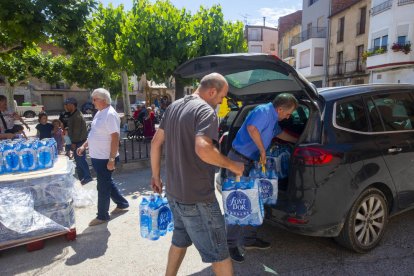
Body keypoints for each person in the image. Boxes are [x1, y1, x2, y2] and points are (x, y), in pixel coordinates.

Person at [151, 73, 244, 276]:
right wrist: (233, 166)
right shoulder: (206, 111)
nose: (221, 102)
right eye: (221, 97)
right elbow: (203, 148)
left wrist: (156, 177)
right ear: (212, 91)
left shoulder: (173, 107)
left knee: (179, 240)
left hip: (174, 193)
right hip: (197, 198)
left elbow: (155, 143)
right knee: (219, 253)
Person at [226, 93, 299, 263]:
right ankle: (230, 245)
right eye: (288, 114)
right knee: (239, 204)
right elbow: (252, 128)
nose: (288, 117)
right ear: (280, 109)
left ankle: (250, 240)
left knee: (255, 201)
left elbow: (280, 134)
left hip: (252, 163)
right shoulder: (264, 111)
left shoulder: (274, 119)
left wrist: (298, 140)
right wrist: (262, 150)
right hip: (239, 160)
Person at [77, 88, 129, 227]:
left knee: (103, 186)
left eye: (95, 99)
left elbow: (115, 138)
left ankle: (102, 216)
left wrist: (111, 160)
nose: (92, 102)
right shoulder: (100, 113)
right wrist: (84, 146)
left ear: (104, 100)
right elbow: (94, 134)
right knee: (106, 181)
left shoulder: (110, 114)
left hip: (106, 158)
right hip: (97, 157)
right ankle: (122, 203)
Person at [65, 97, 93, 185]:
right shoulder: (73, 114)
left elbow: (77, 131)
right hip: (77, 141)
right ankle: (82, 177)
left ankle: (87, 177)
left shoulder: (76, 116)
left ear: (72, 105)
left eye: (67, 105)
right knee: (78, 161)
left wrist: (73, 142)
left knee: (81, 160)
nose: (66, 106)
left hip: (78, 141)